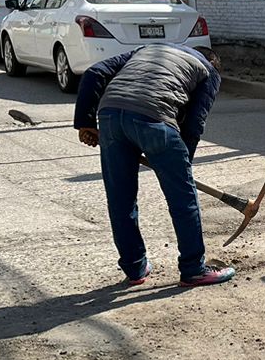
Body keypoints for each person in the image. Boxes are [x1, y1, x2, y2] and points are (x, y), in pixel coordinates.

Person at [73, 43, 234, 288]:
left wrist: (85, 121)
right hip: (154, 118)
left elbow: (94, 72)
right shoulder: (208, 70)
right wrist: (182, 167)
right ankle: (193, 269)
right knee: (183, 199)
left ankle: (135, 268)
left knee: (120, 199)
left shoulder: (146, 49)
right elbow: (194, 123)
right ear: (212, 62)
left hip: (110, 116)